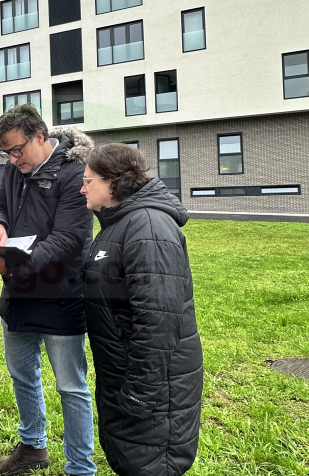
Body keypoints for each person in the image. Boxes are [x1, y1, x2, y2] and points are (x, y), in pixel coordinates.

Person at [0, 104, 96, 476]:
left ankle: (81, 468)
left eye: (17, 149)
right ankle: (34, 447)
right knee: (23, 376)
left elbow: (69, 240)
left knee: (71, 387)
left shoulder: (75, 173)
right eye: (5, 153)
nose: (12, 158)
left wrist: (11, 265)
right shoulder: (13, 168)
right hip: (18, 296)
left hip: (62, 296)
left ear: (40, 136)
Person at [80, 143, 203, 476]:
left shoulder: (148, 228)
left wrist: (139, 396)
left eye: (88, 180)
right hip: (125, 378)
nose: (82, 187)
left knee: (151, 464)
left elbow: (158, 320)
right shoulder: (117, 225)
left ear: (112, 182)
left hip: (153, 391)